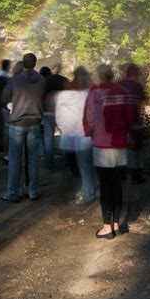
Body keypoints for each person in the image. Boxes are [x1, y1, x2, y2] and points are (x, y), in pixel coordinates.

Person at [84, 64, 132, 239]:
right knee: (117, 185)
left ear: (99, 75)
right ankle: (117, 225)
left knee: (105, 187)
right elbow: (129, 117)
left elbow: (89, 117)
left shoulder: (95, 91)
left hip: (102, 144)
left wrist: (91, 133)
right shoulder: (123, 91)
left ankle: (106, 228)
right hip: (120, 144)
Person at [1, 52, 45, 202]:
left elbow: (4, 97)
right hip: (34, 122)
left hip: (17, 123)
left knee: (14, 159)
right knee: (33, 159)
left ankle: (12, 192)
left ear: (23, 62)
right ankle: (33, 190)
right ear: (35, 63)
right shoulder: (41, 80)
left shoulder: (15, 80)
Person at [55, 67, 95, 204]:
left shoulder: (66, 94)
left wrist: (62, 129)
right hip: (92, 133)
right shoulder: (92, 92)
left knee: (84, 167)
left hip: (77, 133)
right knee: (93, 166)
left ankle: (87, 194)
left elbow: (60, 116)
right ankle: (91, 190)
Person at [116, 63, 146, 184]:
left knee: (122, 148)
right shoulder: (138, 86)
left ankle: (121, 173)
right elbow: (142, 101)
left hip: (121, 122)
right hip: (135, 121)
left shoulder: (119, 85)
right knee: (136, 149)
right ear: (136, 73)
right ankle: (135, 176)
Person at [42, 61, 69, 171]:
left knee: (48, 137)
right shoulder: (64, 80)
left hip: (47, 111)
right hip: (61, 111)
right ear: (59, 69)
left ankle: (50, 164)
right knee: (65, 135)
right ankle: (66, 160)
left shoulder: (45, 80)